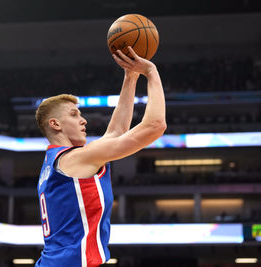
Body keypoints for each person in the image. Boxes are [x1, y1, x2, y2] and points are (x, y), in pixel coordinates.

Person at [34, 47, 166, 267]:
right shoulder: (75, 159)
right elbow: (155, 125)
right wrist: (151, 72)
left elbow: (116, 133)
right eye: (74, 115)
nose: (83, 120)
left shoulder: (55, 163)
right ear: (55, 124)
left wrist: (131, 77)